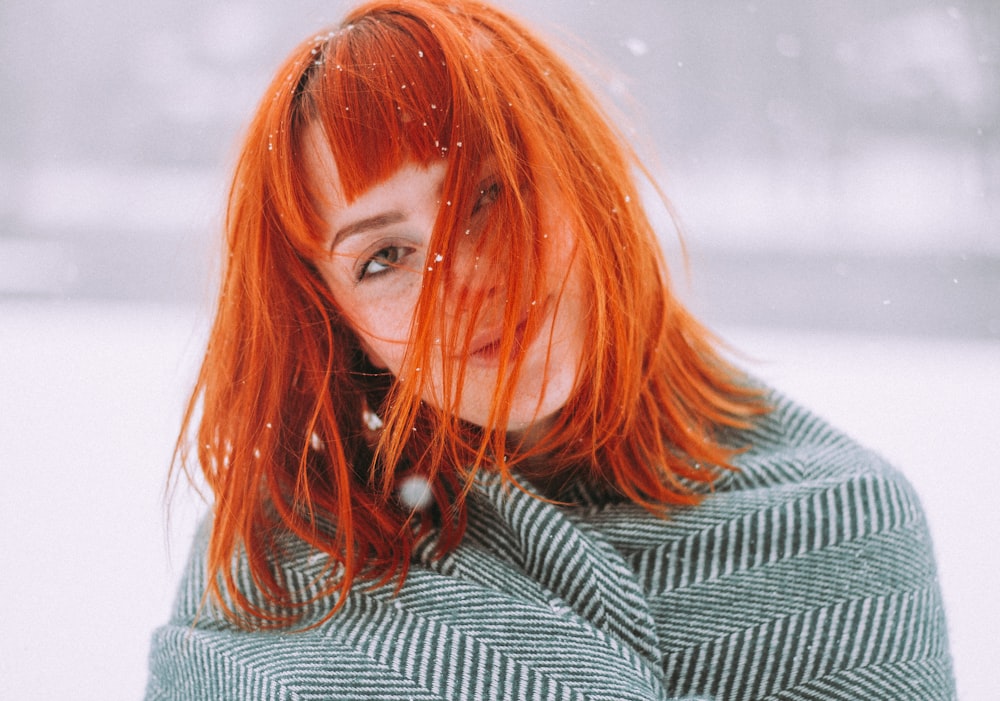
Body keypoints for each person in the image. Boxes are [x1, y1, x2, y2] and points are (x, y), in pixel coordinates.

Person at [144, 1, 955, 698]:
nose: (465, 284)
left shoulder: (839, 529)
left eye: (491, 194)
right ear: (335, 320)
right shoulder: (283, 557)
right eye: (383, 257)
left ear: (584, 182)